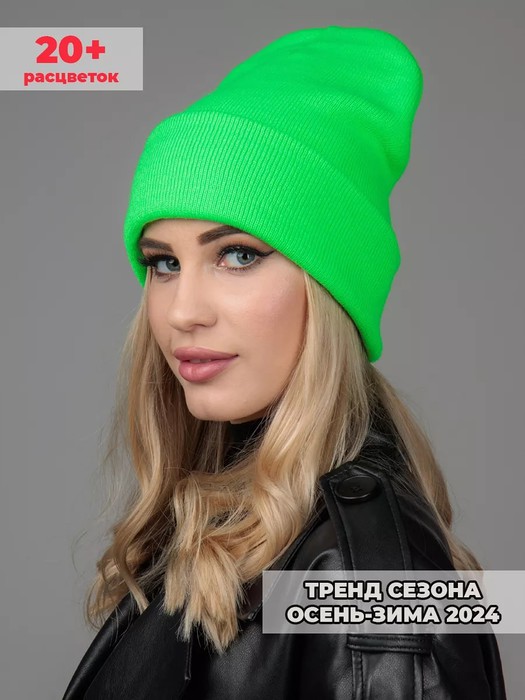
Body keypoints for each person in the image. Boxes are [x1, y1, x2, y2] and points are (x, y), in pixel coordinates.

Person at [62, 25, 507, 699]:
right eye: (164, 263)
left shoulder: (369, 576)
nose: (183, 311)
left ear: (329, 291)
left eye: (237, 255)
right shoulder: (228, 521)